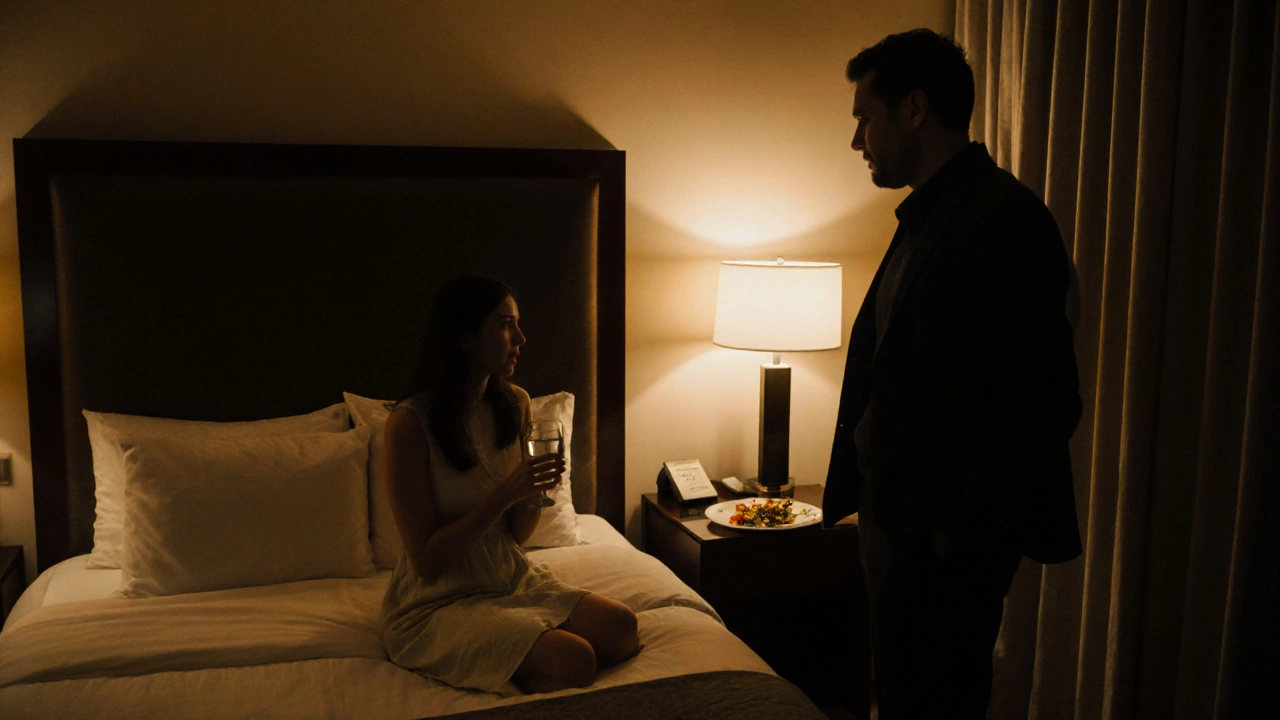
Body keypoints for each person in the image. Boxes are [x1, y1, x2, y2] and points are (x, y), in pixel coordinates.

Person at [822, 29, 1083, 719]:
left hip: (941, 543)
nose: (857, 141)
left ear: (913, 109)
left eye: (863, 117)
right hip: (902, 530)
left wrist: (949, 534)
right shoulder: (932, 212)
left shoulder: (1004, 220)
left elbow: (1044, 402)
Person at [380, 276, 640, 695]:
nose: (520, 337)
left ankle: (521, 649)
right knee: (577, 660)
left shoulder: (514, 403)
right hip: (438, 600)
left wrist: (535, 492)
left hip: (508, 577)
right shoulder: (410, 425)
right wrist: (504, 493)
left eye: (517, 323)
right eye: (504, 325)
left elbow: (517, 536)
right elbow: (427, 562)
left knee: (621, 627)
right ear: (465, 337)